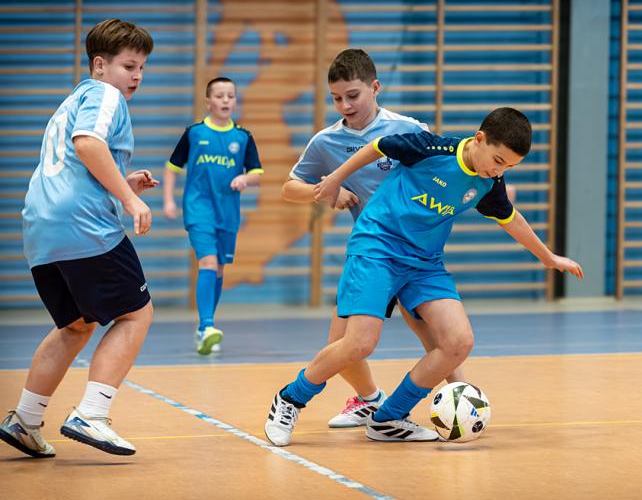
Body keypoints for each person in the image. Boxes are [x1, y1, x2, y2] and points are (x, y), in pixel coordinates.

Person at [265, 107, 584, 446]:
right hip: (378, 246)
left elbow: (511, 219)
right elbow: (378, 147)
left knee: (458, 343)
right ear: (479, 139)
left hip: (425, 263)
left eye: (509, 166)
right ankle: (289, 399)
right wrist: (335, 179)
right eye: (498, 159)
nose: (500, 170)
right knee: (358, 343)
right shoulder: (430, 147)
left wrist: (548, 257)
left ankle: (388, 419)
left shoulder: (490, 183)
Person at [282, 49, 465, 428]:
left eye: (353, 95)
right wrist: (328, 191)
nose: (344, 105)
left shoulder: (407, 129)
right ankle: (370, 400)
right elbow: (290, 188)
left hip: (416, 252)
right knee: (343, 346)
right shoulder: (325, 142)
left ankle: (461, 398)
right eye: (336, 98)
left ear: (375, 87)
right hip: (373, 254)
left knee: (429, 329)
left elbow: (444, 172)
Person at [0, 18, 156, 458]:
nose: (137, 76)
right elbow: (88, 145)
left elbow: (72, 163)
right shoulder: (104, 94)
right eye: (129, 65)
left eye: (142, 67)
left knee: (75, 326)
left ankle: (25, 419)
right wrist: (128, 199)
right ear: (100, 65)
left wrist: (122, 181)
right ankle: (92, 413)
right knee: (135, 315)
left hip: (41, 229)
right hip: (83, 225)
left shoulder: (71, 100)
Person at [163, 77, 263, 355]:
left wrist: (245, 178)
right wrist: (169, 200)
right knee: (207, 262)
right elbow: (172, 167)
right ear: (208, 102)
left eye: (230, 95)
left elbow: (257, 175)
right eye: (219, 96)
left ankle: (205, 327)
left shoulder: (243, 136)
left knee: (218, 268)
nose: (226, 100)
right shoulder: (194, 133)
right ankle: (206, 326)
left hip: (228, 212)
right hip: (198, 209)